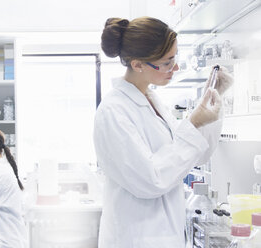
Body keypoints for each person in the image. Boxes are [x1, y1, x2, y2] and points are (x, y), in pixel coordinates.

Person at [93, 17, 233, 248]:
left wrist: (213, 95)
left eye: (175, 58)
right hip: (136, 239)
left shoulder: (153, 102)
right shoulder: (113, 111)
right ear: (138, 64)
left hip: (166, 237)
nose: (175, 68)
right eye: (168, 62)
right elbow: (152, 180)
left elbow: (196, 154)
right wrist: (194, 122)